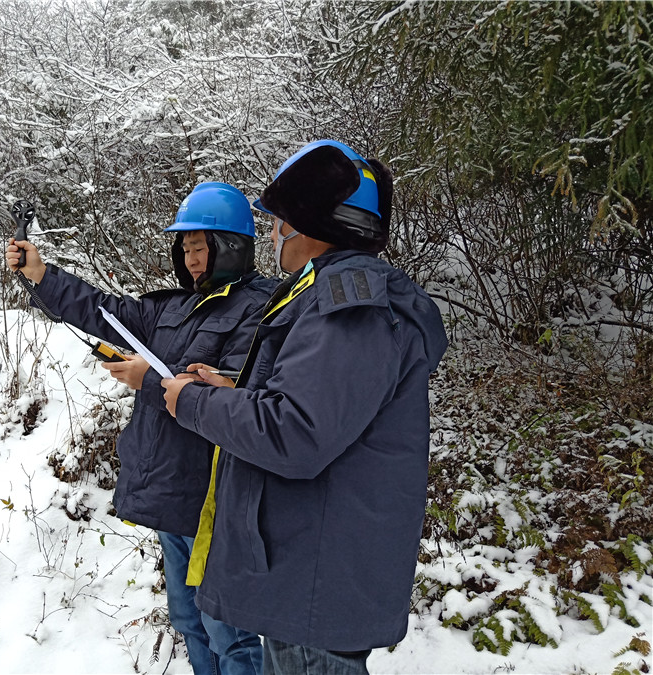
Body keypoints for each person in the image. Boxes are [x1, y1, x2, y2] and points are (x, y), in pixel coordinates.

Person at [161, 141, 449, 675]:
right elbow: (308, 407)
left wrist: (195, 405)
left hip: (316, 584)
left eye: (280, 220)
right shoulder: (328, 295)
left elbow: (297, 436)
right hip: (305, 576)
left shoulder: (349, 307)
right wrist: (230, 392)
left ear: (309, 224)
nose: (274, 234)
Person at [5, 182, 274, 675]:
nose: (192, 259)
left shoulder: (261, 308)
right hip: (171, 494)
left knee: (227, 630)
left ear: (232, 245)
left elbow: (230, 397)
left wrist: (147, 381)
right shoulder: (171, 307)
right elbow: (103, 311)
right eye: (187, 248)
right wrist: (41, 274)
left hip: (217, 498)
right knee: (188, 619)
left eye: (202, 248)